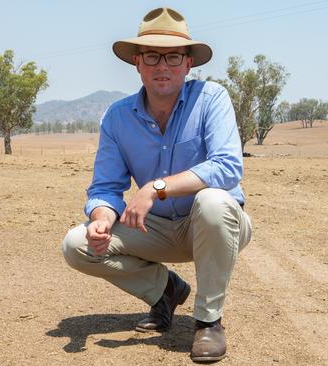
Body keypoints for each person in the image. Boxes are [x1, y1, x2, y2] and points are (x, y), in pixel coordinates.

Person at [61, 7, 252, 363]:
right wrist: (102, 218)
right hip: (156, 229)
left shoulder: (211, 99)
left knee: (212, 200)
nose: (162, 66)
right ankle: (164, 291)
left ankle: (208, 322)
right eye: (152, 56)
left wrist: (154, 188)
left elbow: (227, 167)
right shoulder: (117, 117)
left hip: (214, 226)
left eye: (173, 56)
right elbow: (104, 186)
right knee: (77, 244)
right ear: (137, 62)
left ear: (188, 64)